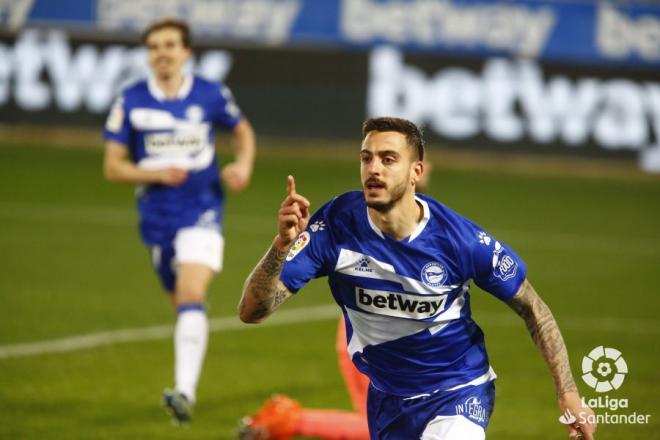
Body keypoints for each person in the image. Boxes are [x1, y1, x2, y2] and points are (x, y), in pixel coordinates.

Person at [238, 117, 595, 439]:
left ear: (416, 172)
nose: (373, 169)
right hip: (388, 401)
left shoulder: (460, 240)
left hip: (459, 389)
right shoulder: (334, 225)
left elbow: (533, 308)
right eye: (367, 158)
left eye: (388, 159)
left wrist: (568, 393)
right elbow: (253, 311)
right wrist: (280, 247)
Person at [103, 18, 255, 425]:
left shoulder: (209, 94)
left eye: (170, 45)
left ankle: (184, 392)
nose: (162, 53)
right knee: (183, 301)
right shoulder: (131, 100)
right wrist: (154, 173)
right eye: (154, 47)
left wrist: (242, 163)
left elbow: (242, 132)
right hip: (156, 218)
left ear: (186, 52)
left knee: (190, 291)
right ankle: (186, 377)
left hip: (202, 207)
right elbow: (113, 168)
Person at [238, 163, 434, 440]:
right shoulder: (358, 225)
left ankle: (287, 421)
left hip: (403, 349)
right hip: (369, 342)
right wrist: (284, 243)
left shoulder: (435, 230)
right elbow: (255, 308)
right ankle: (287, 421)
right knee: (388, 429)